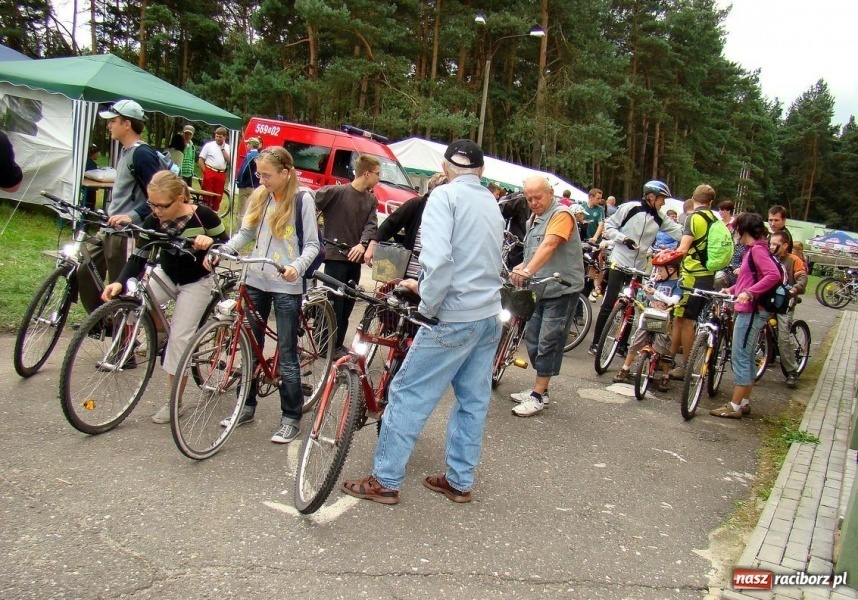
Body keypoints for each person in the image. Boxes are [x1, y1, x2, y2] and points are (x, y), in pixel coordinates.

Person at [340, 139, 503, 505]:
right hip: (488, 314)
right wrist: (425, 284)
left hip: (454, 315)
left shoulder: (443, 198)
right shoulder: (490, 201)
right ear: (480, 171)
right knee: (472, 402)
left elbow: (440, 259)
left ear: (445, 168)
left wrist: (427, 300)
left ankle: (385, 480)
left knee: (407, 392)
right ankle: (459, 481)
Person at [99, 170, 228, 423]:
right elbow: (139, 257)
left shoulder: (204, 216)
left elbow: (226, 245)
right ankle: (152, 332)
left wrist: (211, 244)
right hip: (167, 274)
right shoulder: (152, 221)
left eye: (162, 205)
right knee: (133, 299)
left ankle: (174, 401)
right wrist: (119, 283)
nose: (156, 210)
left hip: (197, 281)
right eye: (151, 204)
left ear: (180, 198)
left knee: (180, 338)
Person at [216, 147, 321, 443]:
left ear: (286, 173)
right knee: (250, 346)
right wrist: (225, 250)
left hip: (286, 284)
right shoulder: (260, 197)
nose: (261, 180)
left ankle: (291, 416)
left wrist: (296, 267)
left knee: (286, 352)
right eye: (259, 174)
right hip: (255, 280)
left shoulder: (303, 200)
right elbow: (246, 233)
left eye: (267, 175)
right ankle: (245, 406)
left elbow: (312, 245)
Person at [508, 176, 584, 417]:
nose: (533, 202)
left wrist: (528, 270)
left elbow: (550, 245)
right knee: (532, 338)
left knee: (548, 340)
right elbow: (534, 251)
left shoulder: (561, 215)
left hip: (561, 288)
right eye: (529, 198)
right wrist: (521, 267)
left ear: (550, 192)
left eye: (538, 197)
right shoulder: (535, 219)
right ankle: (540, 388)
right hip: (540, 288)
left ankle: (538, 395)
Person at [589, 180, 683, 355]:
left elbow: (679, 231)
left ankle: (622, 344)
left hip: (639, 265)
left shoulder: (659, 217)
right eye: (662, 199)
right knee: (610, 302)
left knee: (633, 303)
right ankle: (596, 342)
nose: (663, 203)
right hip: (620, 259)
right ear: (651, 197)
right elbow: (609, 226)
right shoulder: (630, 208)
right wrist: (623, 239)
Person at [710, 212, 782, 419]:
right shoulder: (755, 249)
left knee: (740, 355)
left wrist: (750, 293)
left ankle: (734, 406)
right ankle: (744, 402)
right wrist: (732, 290)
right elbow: (749, 279)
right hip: (750, 308)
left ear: (743, 229)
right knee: (748, 355)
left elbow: (773, 275)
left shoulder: (757, 251)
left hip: (751, 310)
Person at [315, 154, 379, 355]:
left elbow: (372, 225)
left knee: (348, 304)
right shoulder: (336, 191)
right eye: (377, 174)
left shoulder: (371, 199)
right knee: (333, 304)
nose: (379, 178)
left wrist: (362, 244)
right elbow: (308, 201)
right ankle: (326, 345)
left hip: (354, 260)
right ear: (366, 173)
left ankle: (337, 344)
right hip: (335, 258)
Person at [98, 99, 161, 282]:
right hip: (112, 227)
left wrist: (131, 217)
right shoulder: (125, 151)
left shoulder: (142, 154)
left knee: (122, 287)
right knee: (86, 269)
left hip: (128, 233)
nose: (109, 125)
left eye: (113, 121)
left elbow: (160, 198)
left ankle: (122, 311)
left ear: (127, 124)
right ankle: (101, 311)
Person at [611, 250, 682, 391]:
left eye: (661, 270)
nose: (658, 273)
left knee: (663, 347)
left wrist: (657, 294)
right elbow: (651, 297)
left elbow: (673, 300)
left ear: (671, 270)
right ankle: (625, 368)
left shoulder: (677, 285)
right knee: (637, 340)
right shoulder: (658, 281)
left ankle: (665, 376)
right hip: (651, 315)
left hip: (665, 319)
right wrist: (650, 292)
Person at [668, 184, 718, 380]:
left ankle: (686, 366)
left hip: (692, 275)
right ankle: (668, 359)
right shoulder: (715, 219)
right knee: (680, 319)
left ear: (693, 198)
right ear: (711, 202)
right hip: (707, 274)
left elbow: (683, 248)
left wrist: (667, 256)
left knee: (686, 321)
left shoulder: (694, 218)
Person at [364, 172, 446, 279]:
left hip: (433, 274)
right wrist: (373, 244)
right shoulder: (417, 204)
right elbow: (392, 223)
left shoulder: (450, 212)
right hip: (411, 271)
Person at [769, 230, 808, 389]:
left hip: (785, 301)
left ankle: (792, 371)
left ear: (785, 245)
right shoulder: (768, 258)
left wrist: (795, 289)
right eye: (770, 243)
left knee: (783, 336)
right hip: (768, 299)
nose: (771, 247)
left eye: (774, 244)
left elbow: (802, 278)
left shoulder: (794, 260)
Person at [197, 126, 230, 211]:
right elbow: (201, 160)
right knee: (207, 195)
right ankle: (205, 211)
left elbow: (229, 160)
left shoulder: (228, 147)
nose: (218, 138)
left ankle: (214, 212)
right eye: (216, 136)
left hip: (221, 173)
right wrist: (205, 173)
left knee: (218, 196)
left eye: (220, 137)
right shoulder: (209, 145)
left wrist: (222, 149)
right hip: (210, 171)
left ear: (225, 137)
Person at [583, 188, 606, 301]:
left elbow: (601, 224)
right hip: (583, 241)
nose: (599, 200)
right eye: (598, 198)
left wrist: (595, 238)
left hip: (595, 242)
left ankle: (590, 289)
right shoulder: (582, 206)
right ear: (591, 197)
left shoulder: (600, 209)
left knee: (594, 265)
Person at [235, 137, 262, 218]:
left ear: (251, 145)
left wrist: (239, 182)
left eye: (248, 144)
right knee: (250, 211)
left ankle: (239, 229)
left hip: (246, 186)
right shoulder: (260, 156)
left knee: (242, 212)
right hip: (256, 187)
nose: (246, 145)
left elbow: (243, 170)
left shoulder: (250, 156)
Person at [84, 144, 100, 210]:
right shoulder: (90, 162)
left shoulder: (88, 161)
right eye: (97, 153)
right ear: (93, 154)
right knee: (91, 198)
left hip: (88, 186)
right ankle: (90, 210)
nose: (98, 154)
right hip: (90, 186)